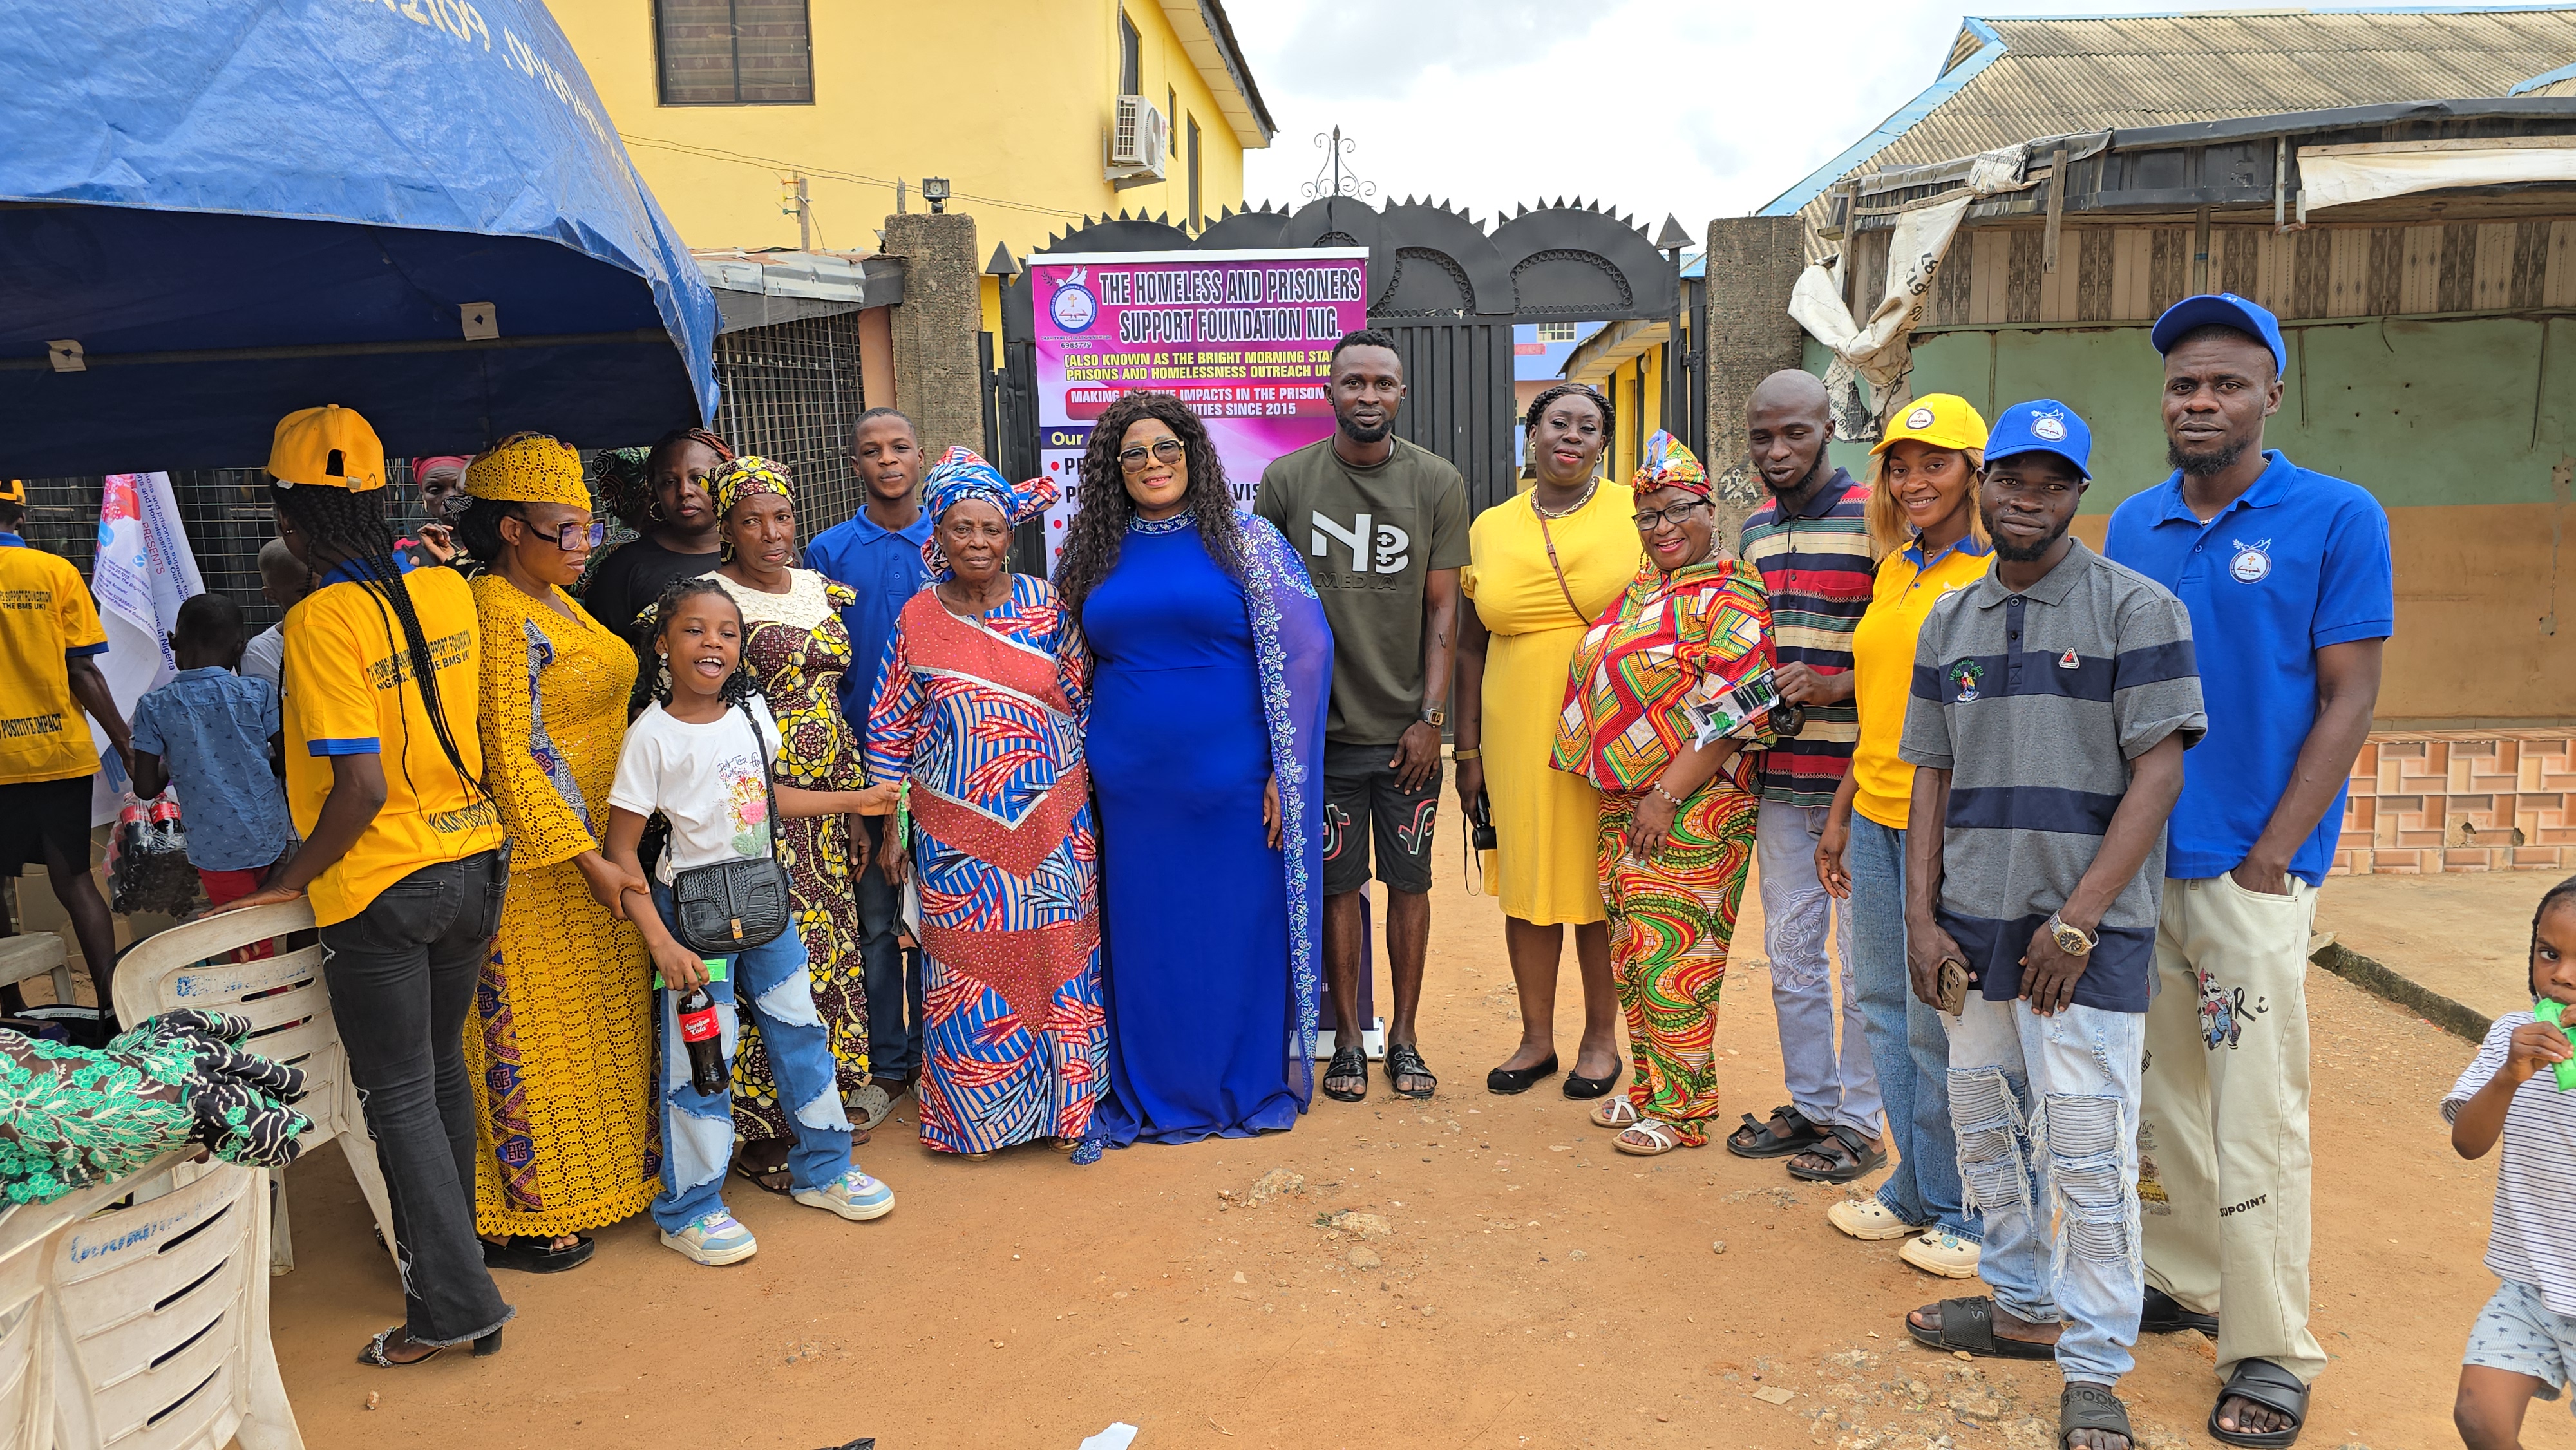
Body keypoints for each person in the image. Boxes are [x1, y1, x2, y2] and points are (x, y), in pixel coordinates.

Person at [2105, 292, 2392, 1448]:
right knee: (2165, 1093)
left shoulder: (2336, 515)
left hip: (2249, 874)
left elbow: (2351, 693)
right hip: (2146, 864)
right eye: (2184, 385)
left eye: (2226, 382)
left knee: (2257, 1107)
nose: (2202, 401)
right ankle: (2183, 1276)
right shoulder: (2132, 523)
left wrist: (2278, 850)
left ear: (2273, 391)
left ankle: (2272, 1347)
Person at [1897, 400, 2204, 1450]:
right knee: (1988, 1126)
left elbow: (2159, 769)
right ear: (1983, 483)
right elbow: (1929, 775)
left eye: (2052, 482)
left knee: (2086, 1147)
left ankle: (2097, 1364)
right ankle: (2024, 1303)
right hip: (1971, 926)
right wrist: (1920, 919)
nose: (2027, 500)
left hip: (2085, 938)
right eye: (2011, 479)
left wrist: (2076, 922)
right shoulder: (1950, 620)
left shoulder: (2136, 607)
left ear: (2080, 494)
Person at [207, 404, 515, 1367]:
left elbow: (361, 787)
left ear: (290, 518)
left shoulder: (318, 618)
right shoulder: (447, 590)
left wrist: (283, 884)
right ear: (381, 494)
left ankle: (451, 1304)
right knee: (440, 1075)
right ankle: (451, 1263)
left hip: (382, 883)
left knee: (400, 1096)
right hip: (473, 860)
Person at [1055, 392, 1332, 1147]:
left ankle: (1236, 1084)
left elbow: (1307, 652)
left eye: (1167, 447)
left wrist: (1287, 767)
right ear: (1114, 469)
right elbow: (1067, 665)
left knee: (1234, 930)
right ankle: (1152, 1083)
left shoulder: (1248, 540)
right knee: (1147, 937)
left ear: (1194, 454)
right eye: (1134, 452)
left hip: (1232, 781)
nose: (1152, 463)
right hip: (1130, 789)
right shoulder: (1091, 555)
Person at [605, 576, 898, 1265]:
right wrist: (661, 941)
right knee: (702, 1054)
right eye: (694, 629)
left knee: (800, 1029)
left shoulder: (751, 716)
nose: (712, 642)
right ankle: (690, 1207)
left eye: (728, 632)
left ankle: (823, 1168)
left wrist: (855, 797)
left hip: (765, 899)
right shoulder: (650, 737)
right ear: (662, 644)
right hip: (690, 911)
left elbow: (762, 802)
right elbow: (622, 854)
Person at [452, 434, 658, 1274]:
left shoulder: (556, 599)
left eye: (586, 527)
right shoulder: (499, 610)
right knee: (531, 1033)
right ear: (509, 530)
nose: (584, 545)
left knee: (601, 1029)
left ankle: (604, 1178)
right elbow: (514, 750)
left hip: (606, 846)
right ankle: (519, 1213)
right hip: (546, 869)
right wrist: (588, 858)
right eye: (563, 531)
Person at [867, 447, 1108, 1158]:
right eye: (962, 528)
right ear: (936, 534)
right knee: (966, 970)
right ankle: (972, 1123)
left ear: (1011, 534)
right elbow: (890, 725)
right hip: (953, 835)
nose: (978, 542)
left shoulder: (1046, 604)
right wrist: (889, 827)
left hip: (1056, 825)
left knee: (1061, 956)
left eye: (992, 529)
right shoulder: (916, 617)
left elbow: (1086, 702)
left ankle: (1070, 1112)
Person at [1253, 328, 1468, 1103]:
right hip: (1322, 736)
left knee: (1410, 885)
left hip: (1406, 736)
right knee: (1340, 888)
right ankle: (1347, 1037)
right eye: (1354, 383)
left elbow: (1444, 608)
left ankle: (1404, 1038)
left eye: (1383, 383)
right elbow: (1266, 610)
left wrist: (1431, 718)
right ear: (1330, 391)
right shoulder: (1286, 480)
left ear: (1401, 393)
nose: (1368, 395)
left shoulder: (1437, 482)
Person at [1551, 433, 1777, 1156]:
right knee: (1631, 950)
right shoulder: (1643, 589)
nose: (1664, 526)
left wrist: (1666, 794)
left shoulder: (1732, 590)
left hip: (1693, 804)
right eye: (1648, 516)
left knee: (1678, 958)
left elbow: (1737, 707)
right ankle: (1652, 1088)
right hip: (1623, 800)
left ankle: (1684, 1113)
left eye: (1679, 509)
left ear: (1710, 509)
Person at [1814, 393, 1992, 1280]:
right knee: (1882, 1006)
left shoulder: (1993, 573)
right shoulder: (1897, 570)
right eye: (1899, 463)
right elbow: (1885, 711)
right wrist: (1845, 804)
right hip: (1879, 812)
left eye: (1936, 462)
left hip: (1949, 829)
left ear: (1975, 470)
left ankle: (1970, 1211)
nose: (1914, 479)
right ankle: (1915, 1192)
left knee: (1943, 1022)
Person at [696, 457, 873, 1191]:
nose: (770, 533)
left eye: (781, 516)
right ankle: (762, 1126)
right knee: (769, 959)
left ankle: (819, 1106)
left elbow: (834, 705)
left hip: (829, 814)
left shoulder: (815, 589)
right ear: (726, 527)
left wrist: (859, 805)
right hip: (757, 813)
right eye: (750, 519)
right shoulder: (712, 600)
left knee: (828, 952)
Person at [1725, 369, 1885, 1183]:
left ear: (1829, 427)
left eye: (1796, 432)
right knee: (1789, 954)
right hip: (1779, 779)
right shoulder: (1753, 529)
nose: (1778, 449)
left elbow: (1908, 641)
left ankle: (1862, 1120)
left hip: (1859, 785)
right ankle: (1813, 1103)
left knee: (1860, 965)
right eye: (1763, 435)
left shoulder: (1876, 518)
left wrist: (1837, 683)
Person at [1453, 383, 1632, 1098]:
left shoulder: (1633, 510)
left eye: (1589, 427)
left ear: (1602, 444)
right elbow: (1469, 646)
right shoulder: (1489, 525)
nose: (1572, 436)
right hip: (1516, 729)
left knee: (1596, 885)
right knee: (1527, 883)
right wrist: (1465, 751)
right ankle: (1535, 1038)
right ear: (1531, 432)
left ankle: (1598, 1038)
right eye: (1558, 421)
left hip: (1611, 727)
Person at [801, 408, 933, 1127]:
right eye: (871, 450)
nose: (887, 459)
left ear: (920, 456)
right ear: (854, 464)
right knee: (876, 922)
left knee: (944, 918)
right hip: (862, 774)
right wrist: (850, 793)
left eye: (899, 447)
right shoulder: (828, 551)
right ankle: (888, 1064)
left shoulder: (947, 540)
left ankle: (945, 1055)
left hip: (946, 768)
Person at [2448, 876, 2576, 1450]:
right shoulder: (2509, 1038)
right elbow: (2468, 1143)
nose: (2563, 976)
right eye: (2550, 954)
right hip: (2532, 1283)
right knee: (2479, 1416)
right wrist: (2508, 1076)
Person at [0, 477, 130, 1010]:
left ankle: (10, 1015)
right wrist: (126, 743)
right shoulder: (56, 572)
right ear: (22, 517)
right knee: (75, 881)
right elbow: (84, 670)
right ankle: (113, 1007)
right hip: (56, 754)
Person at [128, 594, 296, 927]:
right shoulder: (256, 693)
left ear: (173, 642)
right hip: (271, 836)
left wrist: (179, 764)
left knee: (246, 942)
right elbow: (290, 759)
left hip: (216, 851)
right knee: (281, 924)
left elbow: (145, 788)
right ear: (239, 648)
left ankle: (263, 981)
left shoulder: (154, 706)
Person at [582, 428, 734, 661]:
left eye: (698, 479)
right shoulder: (625, 567)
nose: (684, 491)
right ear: (655, 490)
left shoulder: (763, 553)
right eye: (669, 482)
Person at [240, 538, 307, 690]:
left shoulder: (347, 632)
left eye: (322, 586)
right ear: (272, 595)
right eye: (302, 591)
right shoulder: (260, 652)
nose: (316, 595)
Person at [404, 455, 469, 567]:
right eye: (435, 490)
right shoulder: (408, 550)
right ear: (423, 497)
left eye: (459, 488)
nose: (450, 499)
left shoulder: (501, 545)